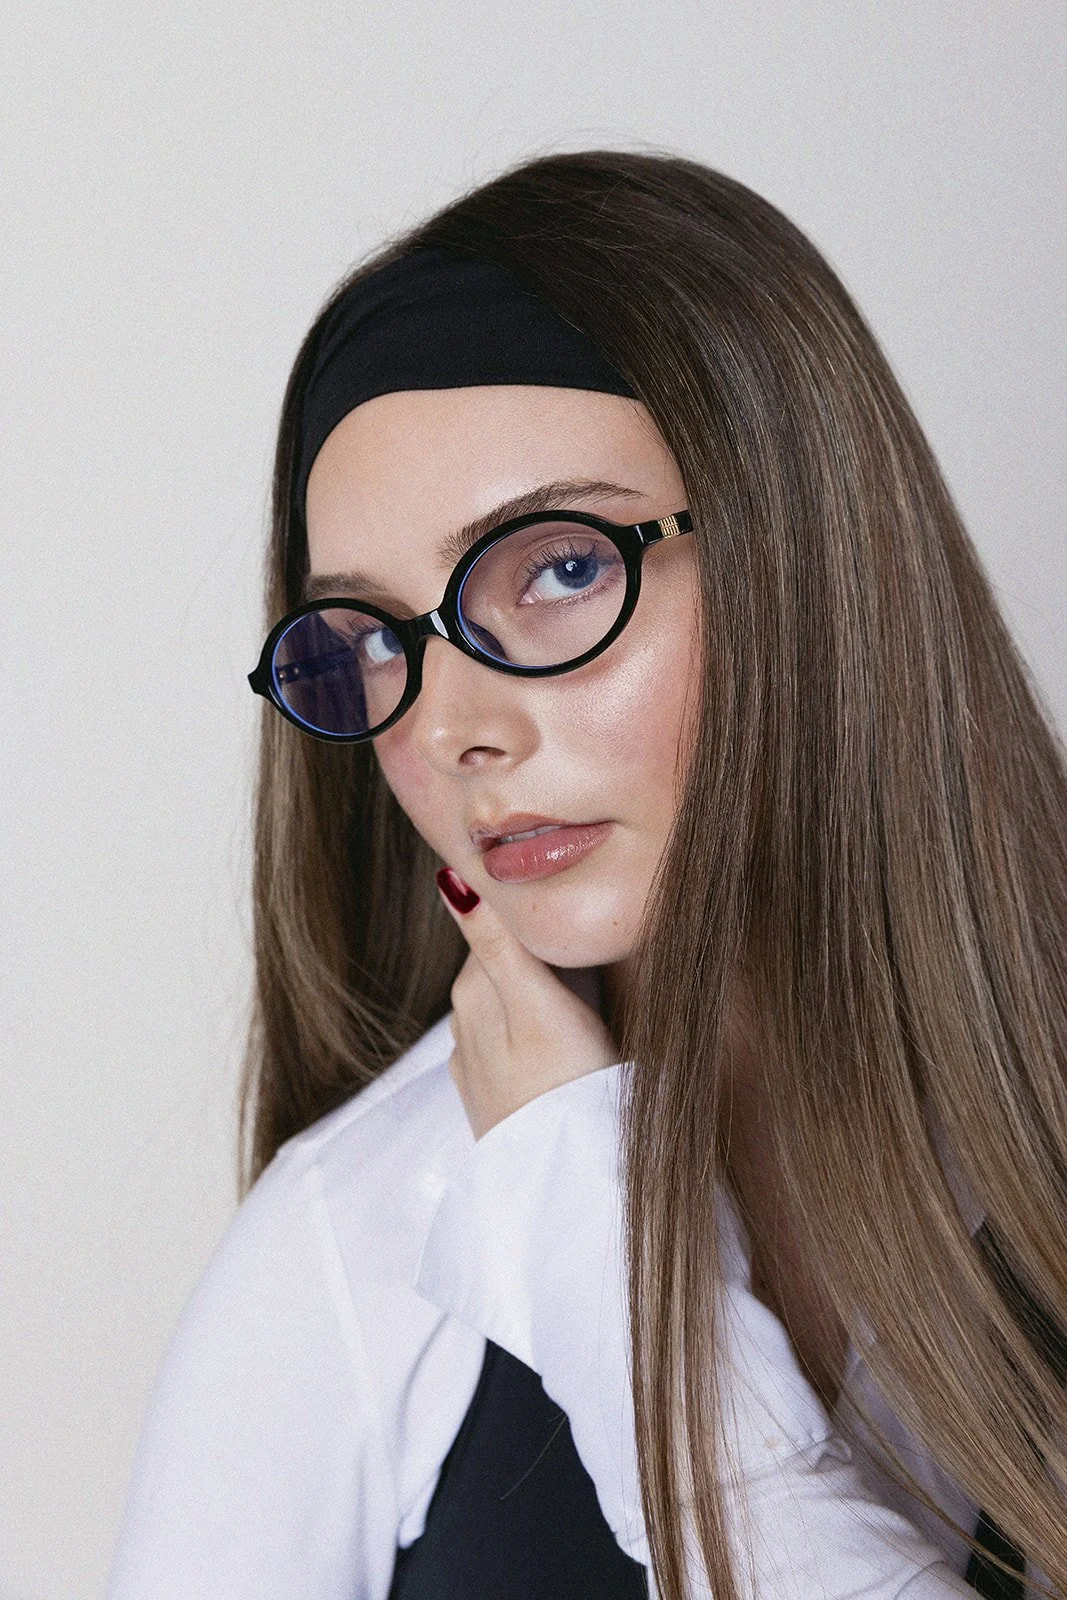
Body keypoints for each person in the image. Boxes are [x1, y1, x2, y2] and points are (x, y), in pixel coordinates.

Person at [104, 150, 1067, 1600]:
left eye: (554, 568)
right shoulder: (345, 1247)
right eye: (373, 636)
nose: (448, 727)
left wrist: (592, 1241)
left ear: (803, 558)